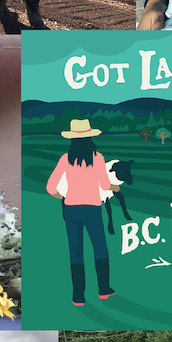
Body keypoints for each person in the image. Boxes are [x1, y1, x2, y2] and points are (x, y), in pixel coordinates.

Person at [45, 119, 117, 305]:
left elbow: (50, 187)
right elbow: (104, 185)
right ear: (90, 138)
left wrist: (62, 196)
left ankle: (78, 296)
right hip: (92, 209)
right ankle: (103, 290)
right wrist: (115, 187)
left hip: (72, 210)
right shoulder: (98, 158)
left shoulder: (65, 159)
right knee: (100, 248)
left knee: (76, 252)